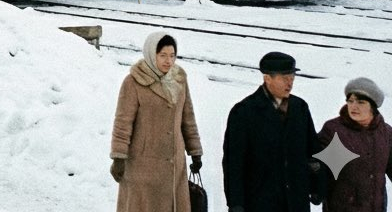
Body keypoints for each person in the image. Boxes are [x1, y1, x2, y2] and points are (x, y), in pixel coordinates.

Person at [109, 32, 203, 212]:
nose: (168, 61)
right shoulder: (133, 82)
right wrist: (118, 157)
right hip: (142, 169)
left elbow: (188, 118)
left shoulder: (179, 80)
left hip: (174, 166)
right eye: (163, 56)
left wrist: (195, 151)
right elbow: (122, 123)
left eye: (172, 56)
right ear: (152, 54)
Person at [223, 51, 319, 212]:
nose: (290, 84)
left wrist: (317, 185)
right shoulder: (244, 112)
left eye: (292, 78)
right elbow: (234, 163)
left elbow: (313, 151)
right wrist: (236, 203)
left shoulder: (300, 108)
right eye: (284, 78)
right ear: (267, 78)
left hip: (296, 201)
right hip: (261, 200)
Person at [314, 78, 391, 212]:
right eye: (350, 101)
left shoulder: (386, 133)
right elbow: (315, 165)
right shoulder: (334, 130)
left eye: (360, 102)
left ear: (373, 106)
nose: (353, 106)